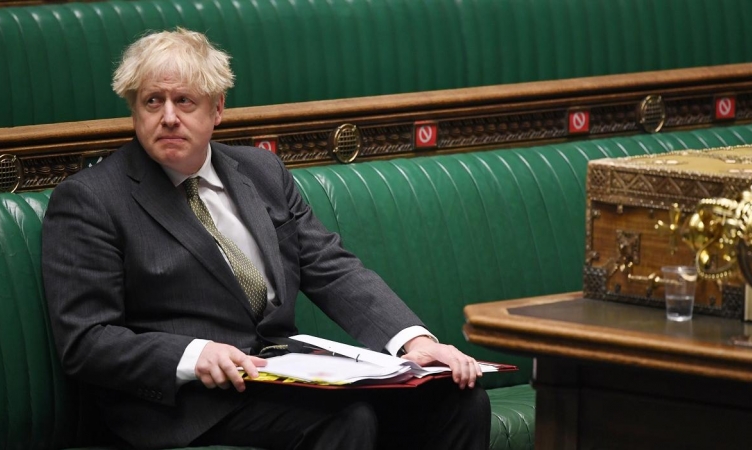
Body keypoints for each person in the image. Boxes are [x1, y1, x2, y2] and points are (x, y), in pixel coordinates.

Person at [42, 28, 489, 450]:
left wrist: (414, 343)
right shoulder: (92, 199)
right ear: (134, 110)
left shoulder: (262, 171)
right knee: (347, 418)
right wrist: (192, 354)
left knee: (457, 401)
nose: (169, 117)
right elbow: (85, 341)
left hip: (282, 373)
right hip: (185, 401)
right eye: (152, 101)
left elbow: (330, 268)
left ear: (217, 108)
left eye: (184, 101)